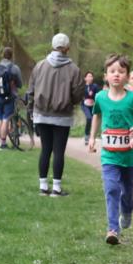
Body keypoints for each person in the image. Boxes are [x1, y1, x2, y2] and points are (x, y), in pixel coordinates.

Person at [87, 54, 133, 244]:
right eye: (112, 71)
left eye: (121, 71)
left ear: (127, 76)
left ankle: (127, 211)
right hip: (109, 155)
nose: (116, 75)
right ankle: (112, 229)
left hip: (129, 155)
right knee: (111, 188)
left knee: (127, 191)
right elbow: (96, 115)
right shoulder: (100, 97)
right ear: (106, 75)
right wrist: (92, 137)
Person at [27, 32, 83, 196]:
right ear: (67, 48)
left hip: (42, 113)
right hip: (62, 116)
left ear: (52, 46)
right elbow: (78, 93)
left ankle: (43, 186)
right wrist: (70, 102)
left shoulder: (39, 66)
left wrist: (32, 109)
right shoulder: (74, 69)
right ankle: (56, 188)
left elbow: (31, 90)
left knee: (45, 149)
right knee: (59, 151)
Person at [0, 47, 23, 149]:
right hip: (9, 97)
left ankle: (0, 142)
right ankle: (4, 143)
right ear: (11, 56)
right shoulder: (14, 68)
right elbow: (20, 84)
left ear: (2, 55)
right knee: (6, 119)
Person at [80, 71, 101, 145]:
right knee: (89, 118)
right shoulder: (82, 86)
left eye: (91, 76)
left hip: (93, 105)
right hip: (84, 105)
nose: (90, 78)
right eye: (88, 76)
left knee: (94, 120)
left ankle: (92, 137)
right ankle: (86, 136)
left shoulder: (95, 86)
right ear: (85, 78)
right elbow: (78, 94)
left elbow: (98, 95)